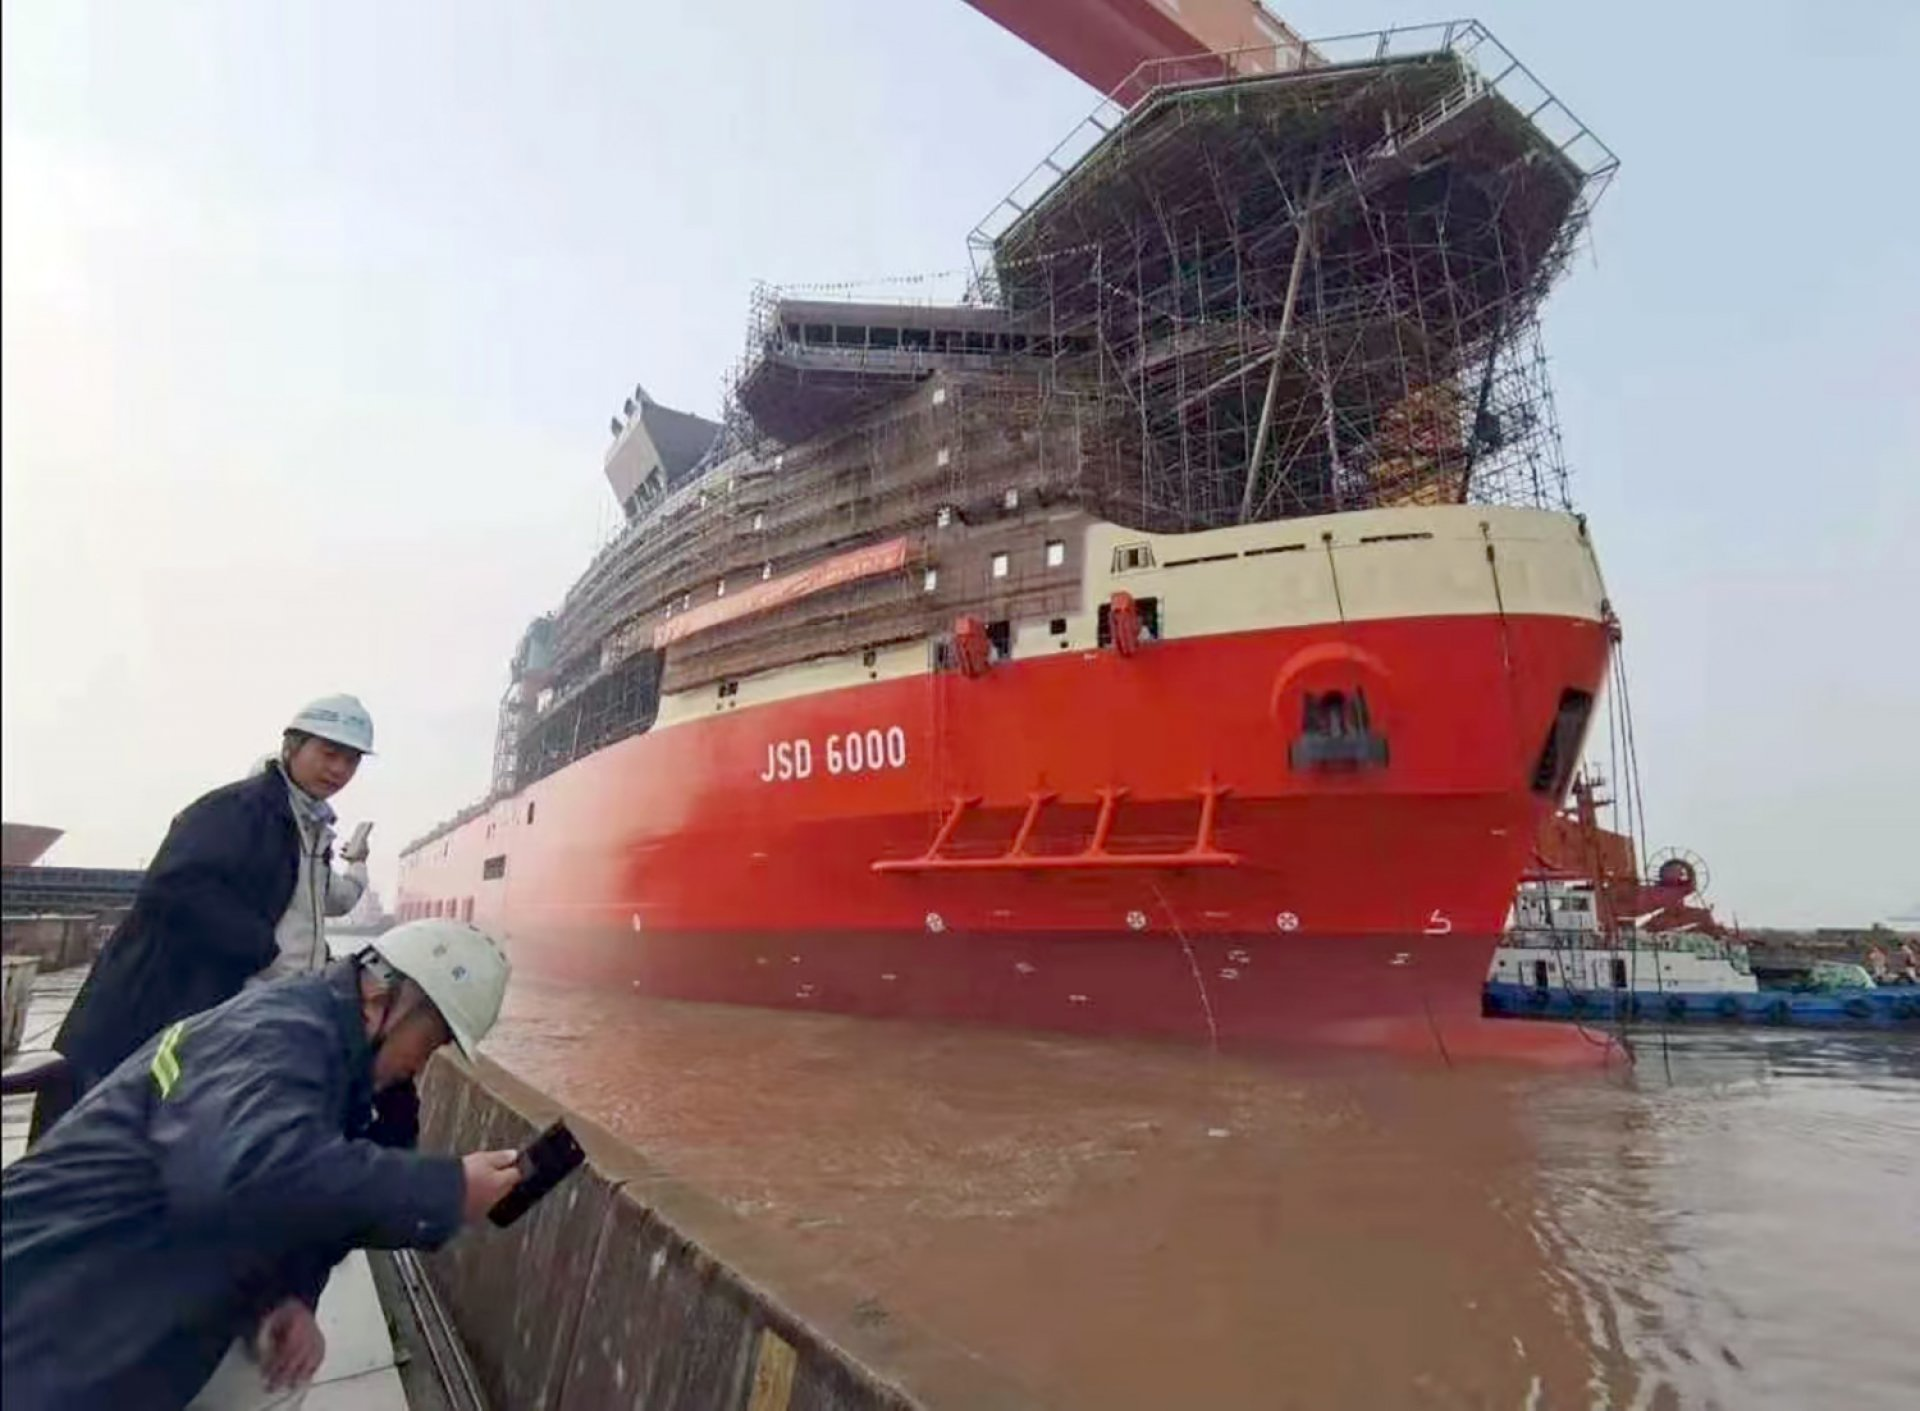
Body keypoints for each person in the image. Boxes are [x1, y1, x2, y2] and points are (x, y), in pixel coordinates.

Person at [1, 918, 526, 1411]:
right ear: (383, 994)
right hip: (45, 1300)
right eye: (429, 1041)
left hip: (111, 1290)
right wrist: (449, 1189)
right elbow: (256, 1175)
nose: (420, 1062)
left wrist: (287, 1292)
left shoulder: (330, 1049)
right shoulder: (278, 1033)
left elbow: (291, 1193)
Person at [34, 694, 378, 1138]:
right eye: (328, 754)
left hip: (241, 1018)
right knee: (105, 1149)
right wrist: (260, 949)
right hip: (162, 1023)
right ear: (292, 747)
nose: (338, 771)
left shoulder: (309, 830)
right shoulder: (237, 810)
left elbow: (322, 904)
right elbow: (173, 888)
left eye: (351, 761)